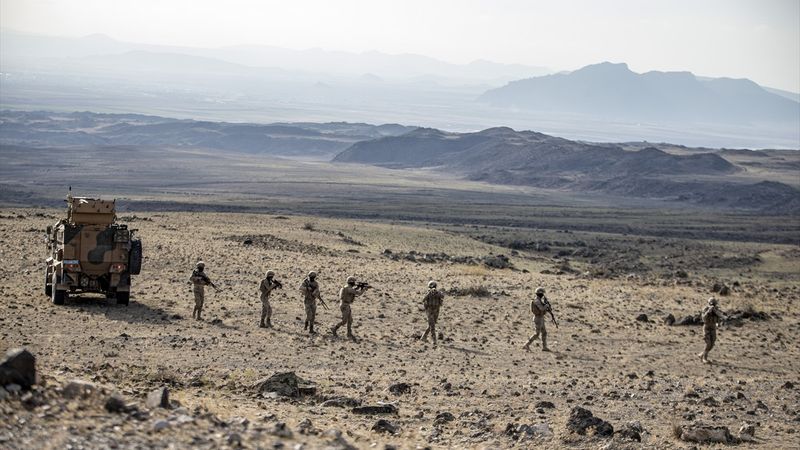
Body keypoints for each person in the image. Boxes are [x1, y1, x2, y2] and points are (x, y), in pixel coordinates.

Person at [523, 287, 551, 352]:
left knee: (544, 332)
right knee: (537, 334)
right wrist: (546, 306)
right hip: (538, 318)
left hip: (540, 318)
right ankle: (526, 344)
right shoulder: (537, 301)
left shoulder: (539, 300)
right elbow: (541, 308)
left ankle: (544, 347)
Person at [698, 297, 725, 364]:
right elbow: (703, 319)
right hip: (707, 328)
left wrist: (718, 323)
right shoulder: (705, 309)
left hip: (713, 328)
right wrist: (708, 312)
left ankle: (702, 354)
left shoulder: (716, 310)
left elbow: (719, 318)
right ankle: (704, 358)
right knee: (708, 343)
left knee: (712, 344)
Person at [420, 280, 445, 345]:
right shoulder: (428, 293)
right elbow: (423, 299)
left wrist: (437, 292)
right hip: (430, 311)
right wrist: (429, 293)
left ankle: (423, 337)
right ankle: (434, 340)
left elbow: (442, 296)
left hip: (436, 311)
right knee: (432, 326)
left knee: (431, 325)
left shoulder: (438, 293)